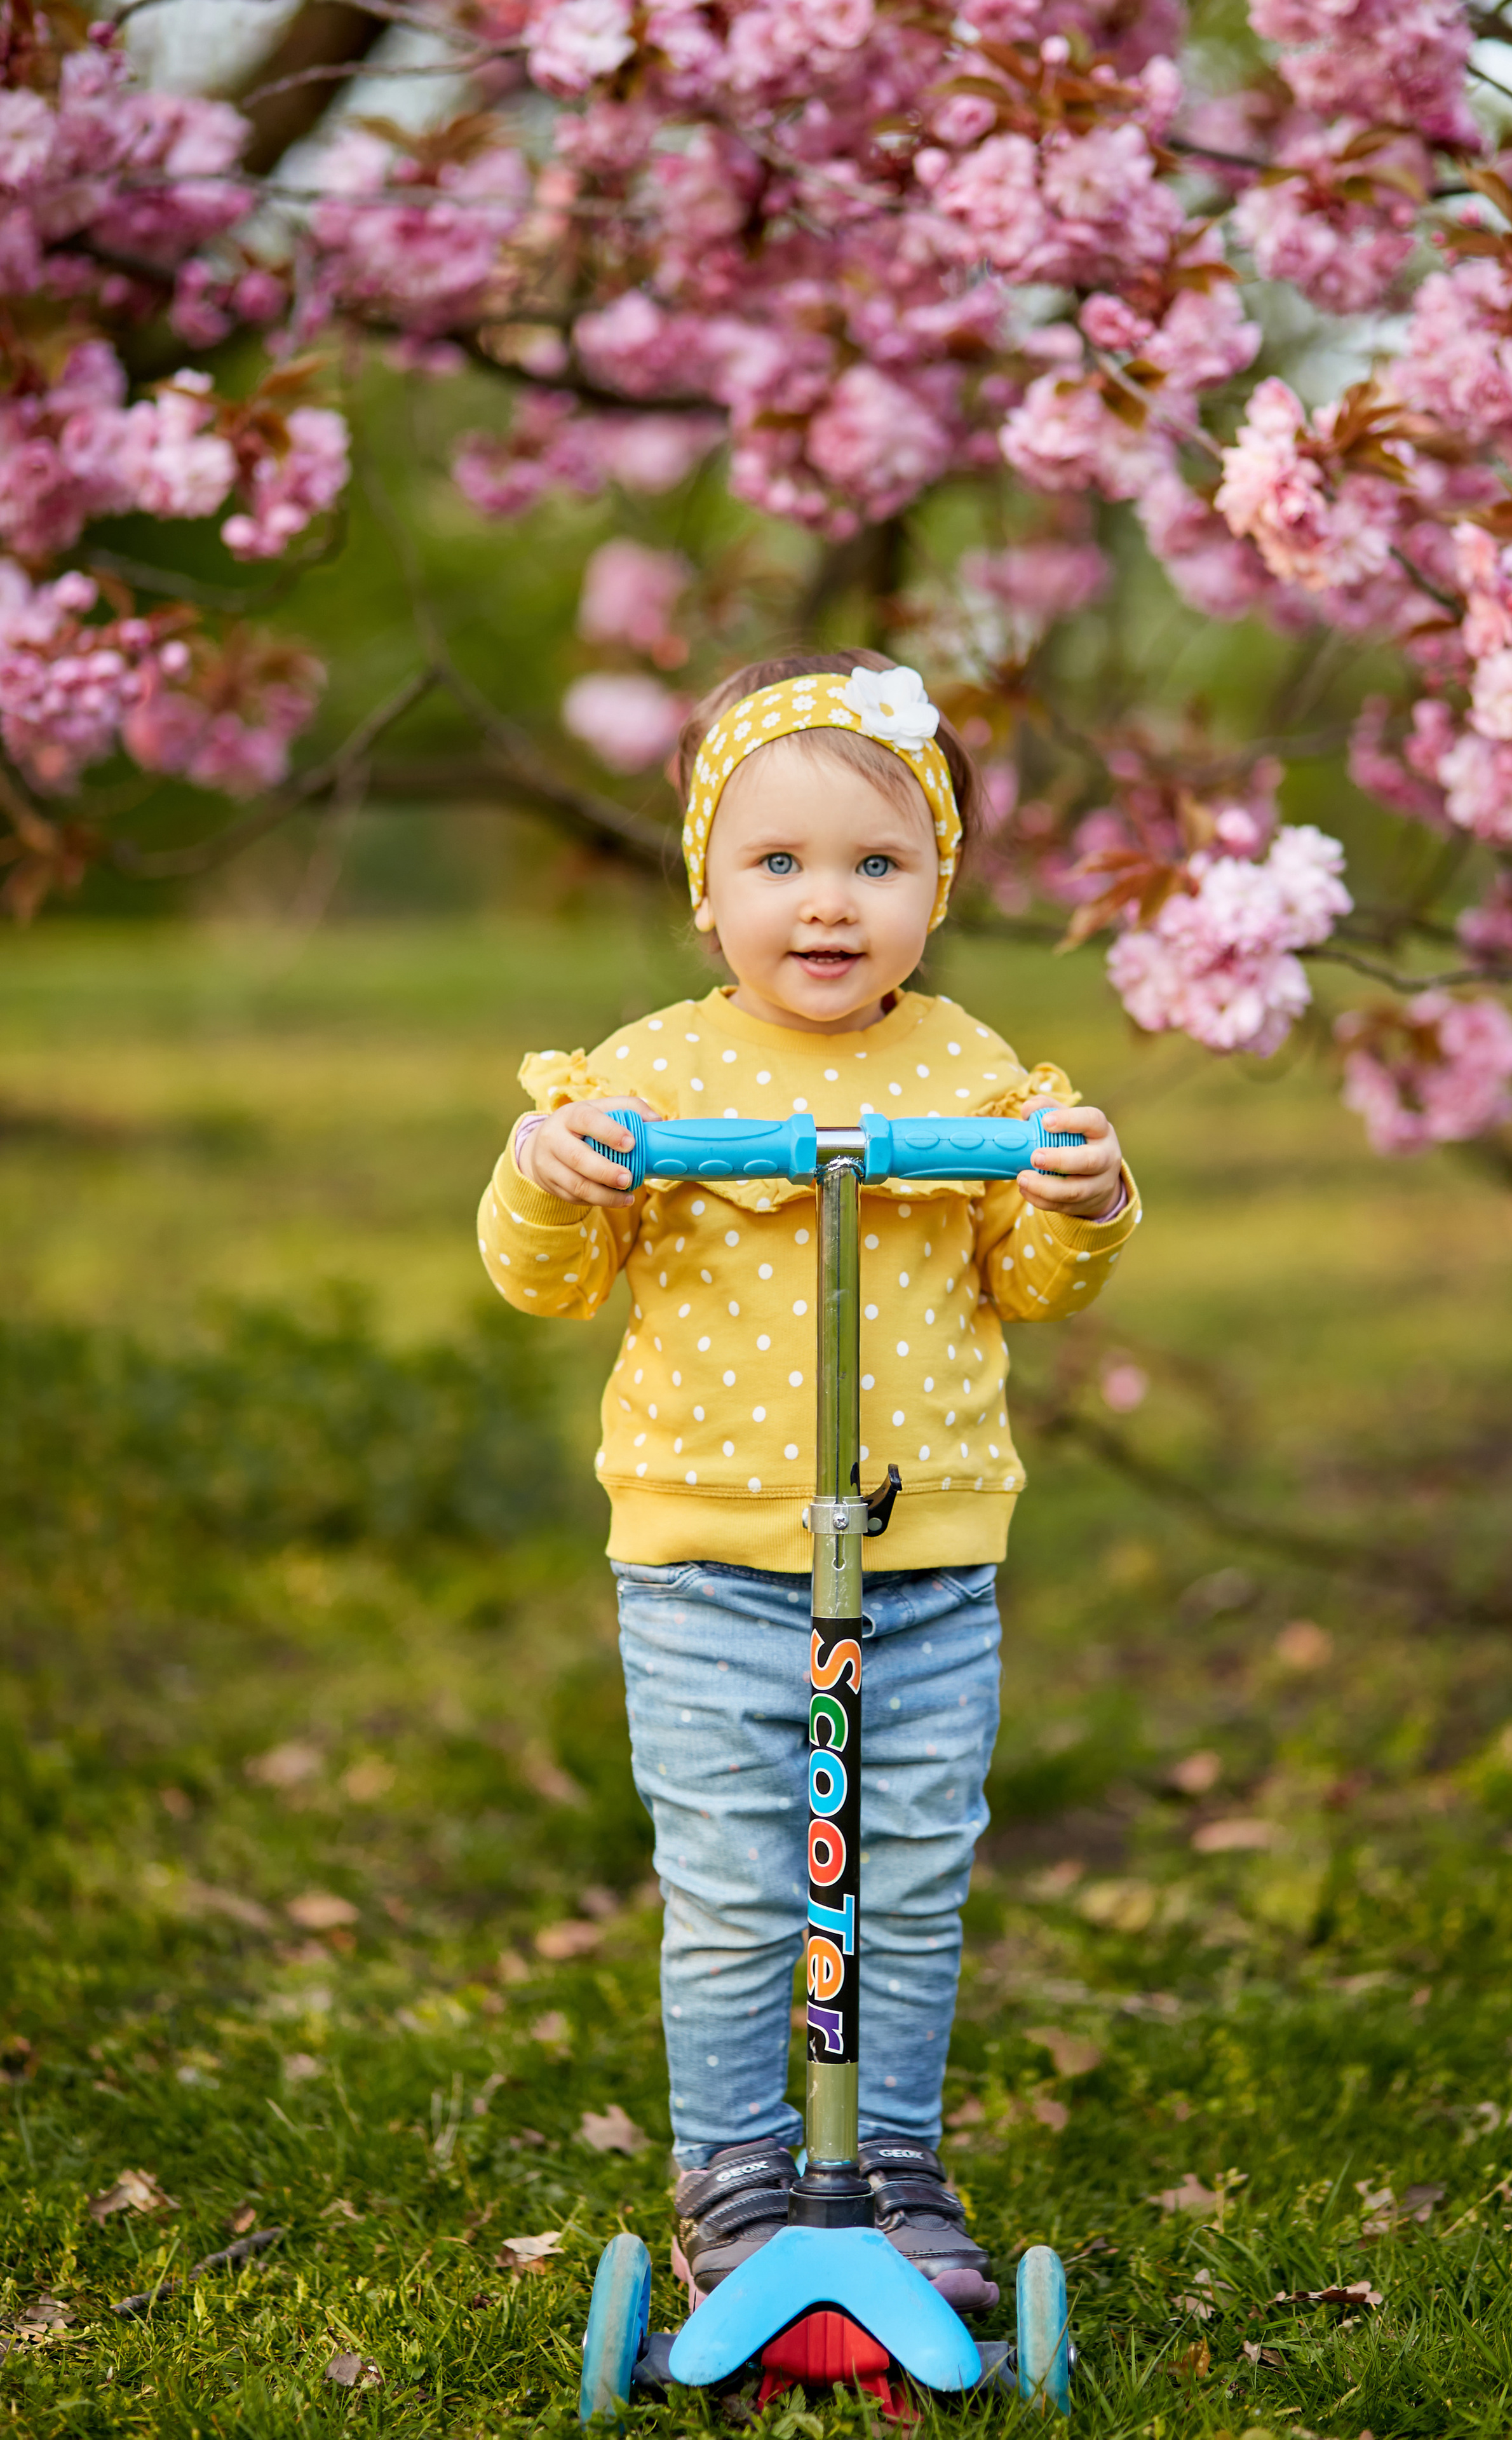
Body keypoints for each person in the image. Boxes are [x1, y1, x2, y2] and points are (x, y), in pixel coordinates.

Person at [478, 649, 1140, 2315]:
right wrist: (548, 1169)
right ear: (707, 892)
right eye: (776, 864)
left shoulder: (977, 1079)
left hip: (925, 1575)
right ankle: (737, 2178)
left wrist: (1080, 1198)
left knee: (910, 1884)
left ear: (937, 889)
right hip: (708, 1575)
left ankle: (896, 2168)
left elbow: (1045, 1283)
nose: (824, 906)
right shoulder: (655, 1076)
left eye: (874, 864)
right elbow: (545, 1277)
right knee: (731, 1897)